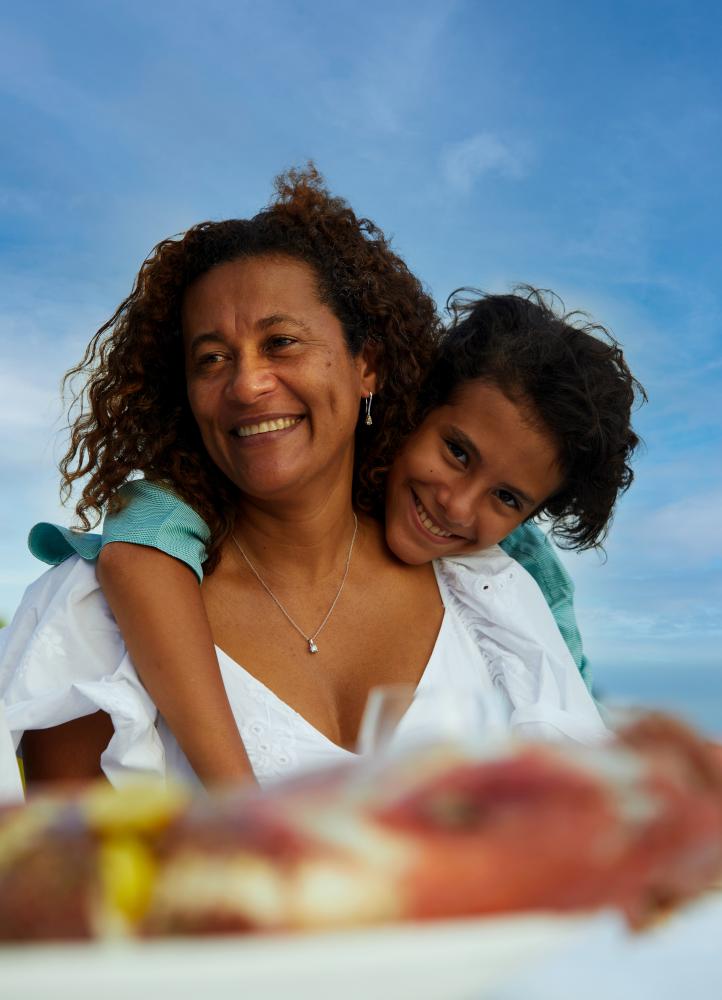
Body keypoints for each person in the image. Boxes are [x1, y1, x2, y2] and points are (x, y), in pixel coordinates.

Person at [0, 169, 612, 791]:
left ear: (366, 364)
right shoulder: (93, 611)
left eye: (282, 342)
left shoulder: (495, 598)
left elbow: (587, 836)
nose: (247, 383)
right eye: (211, 358)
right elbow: (69, 875)